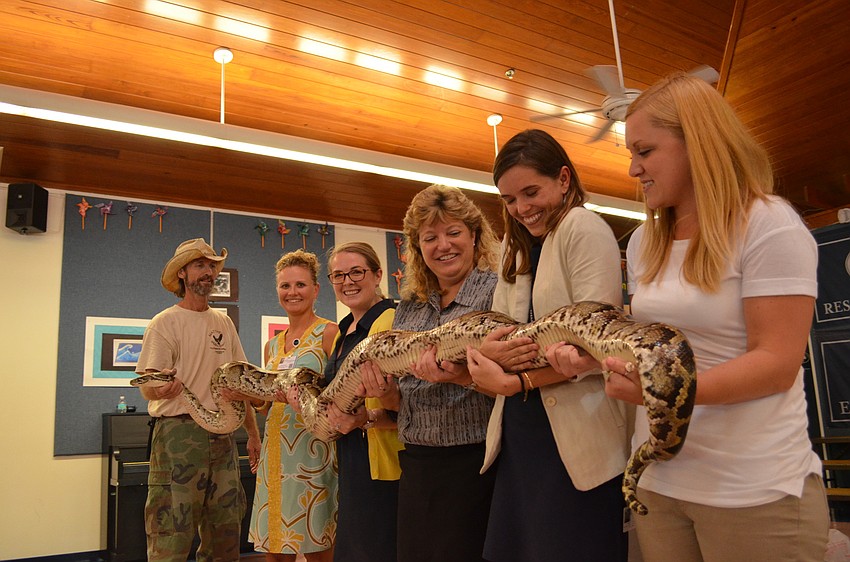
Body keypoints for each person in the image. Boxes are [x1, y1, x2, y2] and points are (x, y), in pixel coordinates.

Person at [599, 72, 828, 561]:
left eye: (645, 151)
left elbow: (776, 362)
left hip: (752, 488)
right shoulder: (644, 242)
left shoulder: (768, 225)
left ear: (696, 144)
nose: (633, 170)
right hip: (660, 480)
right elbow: (649, 346)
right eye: (630, 155)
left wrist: (661, 392)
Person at [465, 129, 631, 562]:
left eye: (530, 192)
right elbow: (500, 337)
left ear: (563, 179)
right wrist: (493, 356)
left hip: (579, 436)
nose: (521, 208)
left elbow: (598, 343)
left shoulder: (583, 227)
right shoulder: (513, 250)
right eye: (509, 199)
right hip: (521, 434)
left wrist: (514, 377)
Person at [366, 184, 502, 562]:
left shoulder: (498, 294)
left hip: (477, 467)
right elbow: (402, 398)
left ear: (474, 236)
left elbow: (520, 388)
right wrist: (387, 394)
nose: (443, 245)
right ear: (418, 247)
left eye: (453, 232)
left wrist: (459, 377)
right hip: (419, 464)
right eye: (430, 237)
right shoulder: (409, 306)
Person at [135, 238, 261, 561]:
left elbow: (240, 383)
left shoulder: (223, 323)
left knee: (226, 533)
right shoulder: (164, 323)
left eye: (211, 266)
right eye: (200, 265)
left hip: (223, 439)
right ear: (182, 274)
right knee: (171, 537)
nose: (208, 272)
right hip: (177, 436)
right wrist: (160, 389)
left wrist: (253, 434)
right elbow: (148, 386)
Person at [230, 250, 339, 561]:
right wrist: (244, 395)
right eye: (285, 286)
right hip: (275, 453)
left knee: (319, 542)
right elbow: (266, 403)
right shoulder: (273, 345)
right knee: (275, 549)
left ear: (316, 290)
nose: (293, 292)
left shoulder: (329, 334)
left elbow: (339, 395)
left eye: (301, 285)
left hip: (313, 452)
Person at [322, 241, 402, 562]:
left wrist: (362, 419)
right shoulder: (343, 332)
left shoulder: (391, 320)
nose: (347, 282)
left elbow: (409, 403)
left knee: (380, 550)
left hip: (386, 463)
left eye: (357, 272)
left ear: (377, 274)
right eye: (338, 275)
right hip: (353, 459)